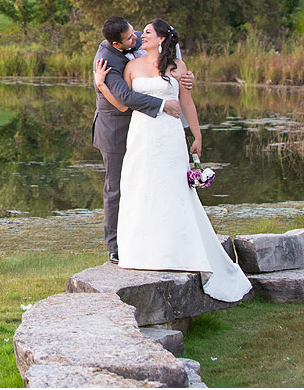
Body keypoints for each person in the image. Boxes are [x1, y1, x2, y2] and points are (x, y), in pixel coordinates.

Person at [94, 18, 252, 302]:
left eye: (147, 33)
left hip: (169, 135)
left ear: (162, 38)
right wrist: (100, 84)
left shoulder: (176, 67)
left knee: (172, 189)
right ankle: (134, 249)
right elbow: (123, 100)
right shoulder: (128, 65)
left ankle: (178, 248)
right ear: (118, 42)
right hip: (141, 135)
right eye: (138, 34)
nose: (141, 36)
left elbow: (187, 101)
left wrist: (197, 134)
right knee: (138, 187)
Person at [91, 16, 190, 265]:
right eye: (129, 39)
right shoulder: (106, 60)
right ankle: (115, 247)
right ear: (116, 43)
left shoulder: (133, 35)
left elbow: (170, 42)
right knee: (116, 189)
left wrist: (183, 75)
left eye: (135, 34)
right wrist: (162, 105)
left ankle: (152, 238)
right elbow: (125, 97)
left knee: (147, 183)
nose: (135, 38)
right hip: (115, 128)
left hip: (144, 128)